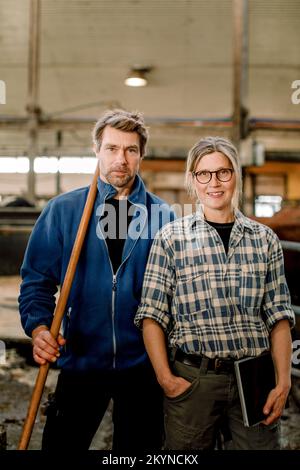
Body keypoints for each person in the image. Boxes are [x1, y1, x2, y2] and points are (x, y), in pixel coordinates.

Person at [19, 109, 175, 451]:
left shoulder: (163, 216)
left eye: (131, 150)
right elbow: (36, 282)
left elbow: (175, 293)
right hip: (82, 359)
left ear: (141, 155)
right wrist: (40, 329)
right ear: (96, 150)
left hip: (143, 364)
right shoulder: (63, 211)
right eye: (112, 148)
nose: (121, 158)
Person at [135, 136, 295, 450]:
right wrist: (166, 379)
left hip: (254, 377)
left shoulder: (265, 239)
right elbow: (152, 316)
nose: (214, 182)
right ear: (192, 181)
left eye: (223, 172)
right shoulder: (171, 239)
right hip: (194, 379)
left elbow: (279, 318)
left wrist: (284, 380)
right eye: (203, 174)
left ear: (237, 175)